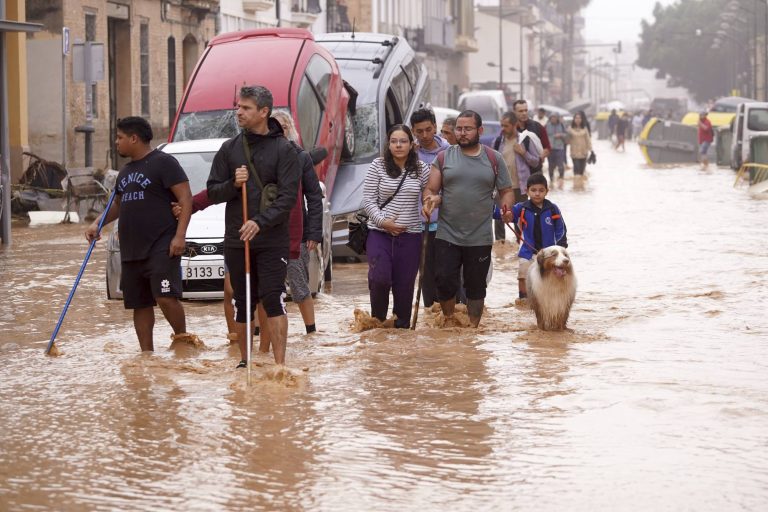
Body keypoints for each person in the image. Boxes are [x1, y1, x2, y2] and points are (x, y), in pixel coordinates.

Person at [207, 85, 300, 368]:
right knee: (242, 300)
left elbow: (286, 199)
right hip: (238, 239)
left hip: (272, 239)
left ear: (263, 112)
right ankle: (244, 363)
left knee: (273, 297)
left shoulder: (285, 150)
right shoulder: (229, 149)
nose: (238, 112)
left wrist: (259, 222)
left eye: (245, 108)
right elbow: (212, 191)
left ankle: (280, 366)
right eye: (238, 106)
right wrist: (233, 184)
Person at [85, 116, 194, 352]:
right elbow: (117, 204)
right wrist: (97, 224)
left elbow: (186, 198)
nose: (116, 142)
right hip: (132, 248)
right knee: (139, 304)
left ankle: (183, 341)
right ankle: (147, 354)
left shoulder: (164, 163)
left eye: (120, 137)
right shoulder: (126, 171)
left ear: (134, 138)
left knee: (165, 296)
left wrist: (180, 235)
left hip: (162, 244)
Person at [422, 110, 515, 328]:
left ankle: (473, 329)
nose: (462, 133)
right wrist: (430, 200)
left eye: (468, 129)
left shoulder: (493, 158)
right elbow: (431, 188)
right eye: (459, 129)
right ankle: (449, 321)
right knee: (444, 282)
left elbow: (507, 190)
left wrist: (507, 208)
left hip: (480, 236)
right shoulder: (444, 157)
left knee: (476, 287)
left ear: (479, 131)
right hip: (447, 233)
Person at [363, 124, 430, 328]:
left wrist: (427, 205)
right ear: (388, 144)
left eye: (403, 141)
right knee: (380, 279)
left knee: (405, 286)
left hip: (410, 236)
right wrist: (384, 222)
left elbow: (430, 193)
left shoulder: (421, 169)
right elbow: (368, 201)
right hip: (379, 233)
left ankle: (401, 331)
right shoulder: (378, 166)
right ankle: (378, 323)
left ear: (411, 145)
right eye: (394, 141)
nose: (398, 145)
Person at [269, 110, 324, 337]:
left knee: (299, 284)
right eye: (275, 126)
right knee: (267, 288)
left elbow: (313, 196)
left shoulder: (301, 157)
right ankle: (261, 333)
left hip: (297, 232)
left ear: (290, 129)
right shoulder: (262, 156)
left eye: (283, 126)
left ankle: (310, 332)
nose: (279, 131)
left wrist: (314, 232)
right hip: (267, 233)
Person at [410, 108, 449, 308]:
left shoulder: (449, 152)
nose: (424, 135)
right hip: (418, 224)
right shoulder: (409, 154)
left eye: (428, 129)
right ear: (413, 131)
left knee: (446, 274)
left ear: (435, 127)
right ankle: (430, 314)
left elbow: (453, 187)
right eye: (419, 131)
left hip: (446, 224)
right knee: (425, 275)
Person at [509, 173, 567, 300]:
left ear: (547, 191)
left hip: (549, 253)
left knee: (552, 277)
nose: (537, 193)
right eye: (533, 190)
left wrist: (561, 247)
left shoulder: (553, 209)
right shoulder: (521, 208)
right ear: (526, 191)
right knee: (523, 275)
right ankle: (523, 300)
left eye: (541, 190)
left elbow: (561, 229)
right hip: (527, 252)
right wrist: (496, 211)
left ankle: (552, 299)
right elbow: (507, 214)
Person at [492, 110, 539, 241]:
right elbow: (491, 164)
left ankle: (521, 245)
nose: (503, 128)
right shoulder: (497, 142)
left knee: (520, 219)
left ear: (515, 125)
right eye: (501, 125)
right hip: (502, 187)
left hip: (520, 187)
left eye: (506, 125)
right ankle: (501, 248)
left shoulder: (525, 140)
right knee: (499, 218)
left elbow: (535, 161)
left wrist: (523, 153)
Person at [512, 99, 550, 173]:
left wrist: (541, 157)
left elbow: (547, 147)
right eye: (521, 111)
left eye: (526, 110)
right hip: (517, 172)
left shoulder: (538, 127)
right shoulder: (511, 129)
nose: (524, 113)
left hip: (535, 171)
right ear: (514, 112)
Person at [568, 111, 592, 189]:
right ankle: (576, 187)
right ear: (574, 119)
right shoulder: (570, 129)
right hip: (574, 153)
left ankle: (581, 187)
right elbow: (567, 141)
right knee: (576, 170)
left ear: (582, 119)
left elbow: (588, 140)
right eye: (576, 118)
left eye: (579, 118)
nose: (578, 120)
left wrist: (591, 151)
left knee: (581, 172)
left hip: (584, 153)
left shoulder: (585, 128)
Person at [545, 112, 567, 183]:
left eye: (555, 117)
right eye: (552, 117)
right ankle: (551, 181)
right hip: (550, 149)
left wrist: (561, 135)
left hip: (560, 148)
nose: (553, 119)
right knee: (551, 166)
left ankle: (561, 179)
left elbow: (567, 135)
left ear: (557, 118)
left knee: (560, 165)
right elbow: (543, 136)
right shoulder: (547, 126)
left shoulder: (562, 125)